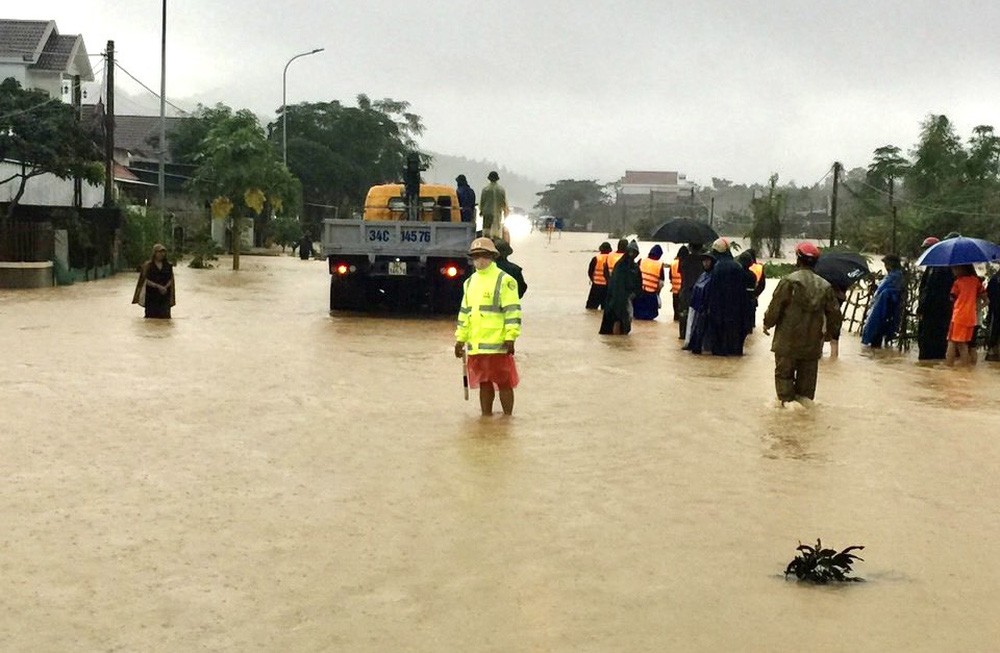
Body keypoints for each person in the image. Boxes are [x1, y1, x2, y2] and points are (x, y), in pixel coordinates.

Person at [762, 242, 842, 406]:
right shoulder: (825, 286)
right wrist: (831, 334)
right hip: (812, 343)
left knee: (784, 382)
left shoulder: (789, 282)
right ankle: (804, 421)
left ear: (798, 259)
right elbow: (834, 314)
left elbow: (775, 307)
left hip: (787, 341)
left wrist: (767, 324)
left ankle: (787, 416)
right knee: (806, 393)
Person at [454, 237, 522, 416]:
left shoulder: (505, 280)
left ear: (492, 256)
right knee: (484, 383)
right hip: (476, 345)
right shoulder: (469, 283)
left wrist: (511, 337)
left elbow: (512, 311)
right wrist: (460, 340)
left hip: (498, 344)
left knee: (504, 383)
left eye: (483, 255)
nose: (480, 259)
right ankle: (486, 419)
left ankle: (507, 420)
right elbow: (464, 314)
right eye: (476, 256)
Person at [703, 238, 753, 356]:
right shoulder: (737, 266)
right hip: (736, 314)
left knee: (719, 351)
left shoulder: (717, 267)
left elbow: (713, 292)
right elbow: (743, 293)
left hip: (719, 313)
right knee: (734, 350)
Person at [916, 236, 952, 360]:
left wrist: (922, 308)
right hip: (936, 311)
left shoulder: (939, 268)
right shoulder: (934, 266)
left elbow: (930, 291)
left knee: (931, 340)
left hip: (935, 311)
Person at [861, 254, 904, 348]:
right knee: (877, 332)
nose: (885, 266)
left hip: (886, 307)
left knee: (877, 329)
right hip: (883, 306)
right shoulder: (893, 275)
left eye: (886, 264)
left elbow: (888, 291)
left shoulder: (895, 276)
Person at [946, 264, 986, 366]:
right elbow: (984, 296)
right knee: (963, 344)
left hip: (959, 316)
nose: (953, 270)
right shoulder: (976, 281)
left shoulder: (958, 282)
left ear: (962, 269)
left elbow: (952, 298)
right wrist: (978, 307)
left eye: (955, 268)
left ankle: (949, 366)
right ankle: (966, 369)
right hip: (971, 317)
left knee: (952, 342)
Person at [600, 240, 641, 335]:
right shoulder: (620, 265)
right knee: (617, 319)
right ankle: (617, 340)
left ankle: (621, 339)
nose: (632, 255)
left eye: (634, 253)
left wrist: (635, 294)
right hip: (616, 298)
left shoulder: (635, 267)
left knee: (626, 322)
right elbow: (616, 282)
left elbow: (638, 283)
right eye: (630, 252)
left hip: (628, 298)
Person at [132, 243, 175, 319]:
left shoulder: (168, 265)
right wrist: (158, 286)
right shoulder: (148, 266)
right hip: (151, 295)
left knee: (165, 318)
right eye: (159, 252)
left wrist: (164, 287)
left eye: (163, 252)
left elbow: (171, 279)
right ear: (154, 253)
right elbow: (145, 280)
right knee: (150, 318)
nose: (161, 254)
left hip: (164, 296)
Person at [684, 250, 715, 352]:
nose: (705, 263)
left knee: (701, 330)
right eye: (704, 261)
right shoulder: (703, 275)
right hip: (696, 306)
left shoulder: (713, 276)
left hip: (706, 308)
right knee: (694, 328)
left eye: (707, 261)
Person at [676, 242, 706, 339]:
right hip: (699, 292)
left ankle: (683, 334)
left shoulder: (685, 260)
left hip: (685, 290)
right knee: (697, 315)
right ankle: (695, 335)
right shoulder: (703, 261)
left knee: (684, 313)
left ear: (690, 247)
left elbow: (680, 271)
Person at [633, 244, 666, 320]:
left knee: (638, 315)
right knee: (650, 316)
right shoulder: (660, 264)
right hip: (651, 294)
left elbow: (634, 275)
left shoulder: (641, 260)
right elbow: (661, 283)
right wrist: (658, 293)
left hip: (639, 292)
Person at [479, 171, 508, 239]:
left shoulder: (485, 189)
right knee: (496, 232)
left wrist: (481, 211)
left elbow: (482, 202)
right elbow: (504, 202)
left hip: (487, 213)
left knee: (486, 232)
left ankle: (487, 243)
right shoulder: (501, 189)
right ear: (497, 179)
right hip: (497, 213)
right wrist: (505, 212)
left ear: (489, 179)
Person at [586, 242, 612, 310]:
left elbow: (590, 272)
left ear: (601, 249)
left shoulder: (596, 258)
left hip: (596, 286)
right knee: (605, 309)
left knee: (591, 308)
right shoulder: (611, 259)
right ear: (610, 250)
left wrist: (593, 280)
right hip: (608, 287)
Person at [668, 246, 687, 322]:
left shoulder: (673, 263)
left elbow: (670, 276)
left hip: (675, 288)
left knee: (675, 306)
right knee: (682, 308)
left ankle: (676, 318)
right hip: (683, 289)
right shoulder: (686, 263)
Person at [986, 270, 1000, 362]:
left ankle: (993, 350)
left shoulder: (994, 279)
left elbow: (989, 296)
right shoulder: (994, 280)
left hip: (995, 313)